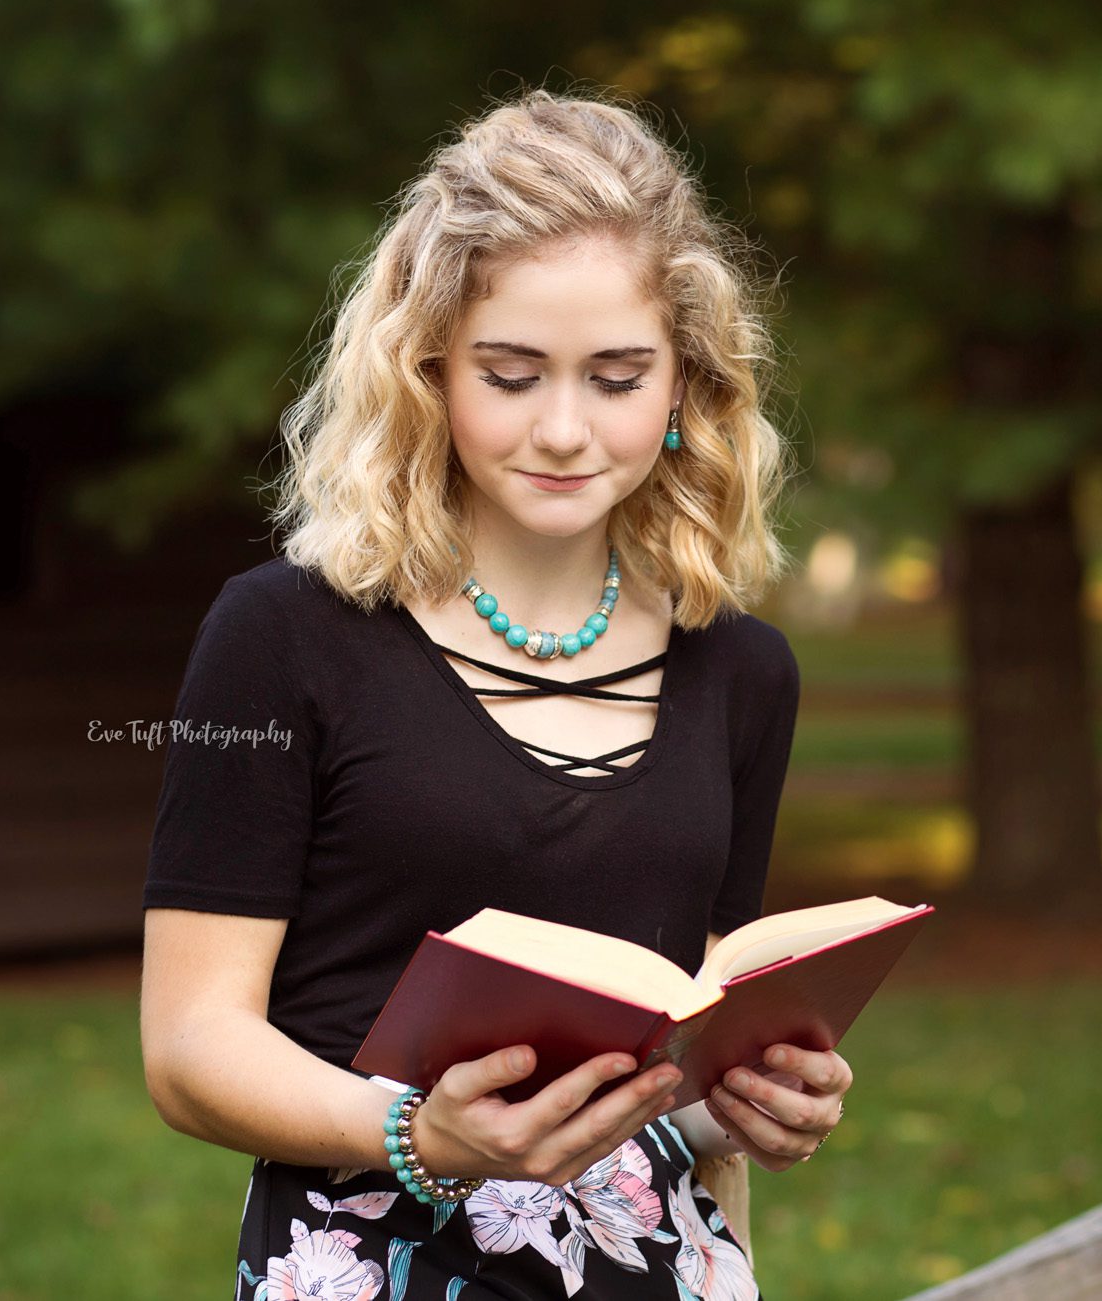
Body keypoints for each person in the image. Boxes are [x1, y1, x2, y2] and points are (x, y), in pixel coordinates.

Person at [139, 87, 851, 1301]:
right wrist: (418, 1136)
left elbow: (678, 1056)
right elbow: (189, 1048)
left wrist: (756, 1101)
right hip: (373, 1265)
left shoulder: (740, 671)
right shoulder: (277, 638)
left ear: (684, 385)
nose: (565, 429)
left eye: (617, 376)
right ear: (429, 374)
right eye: (511, 374)